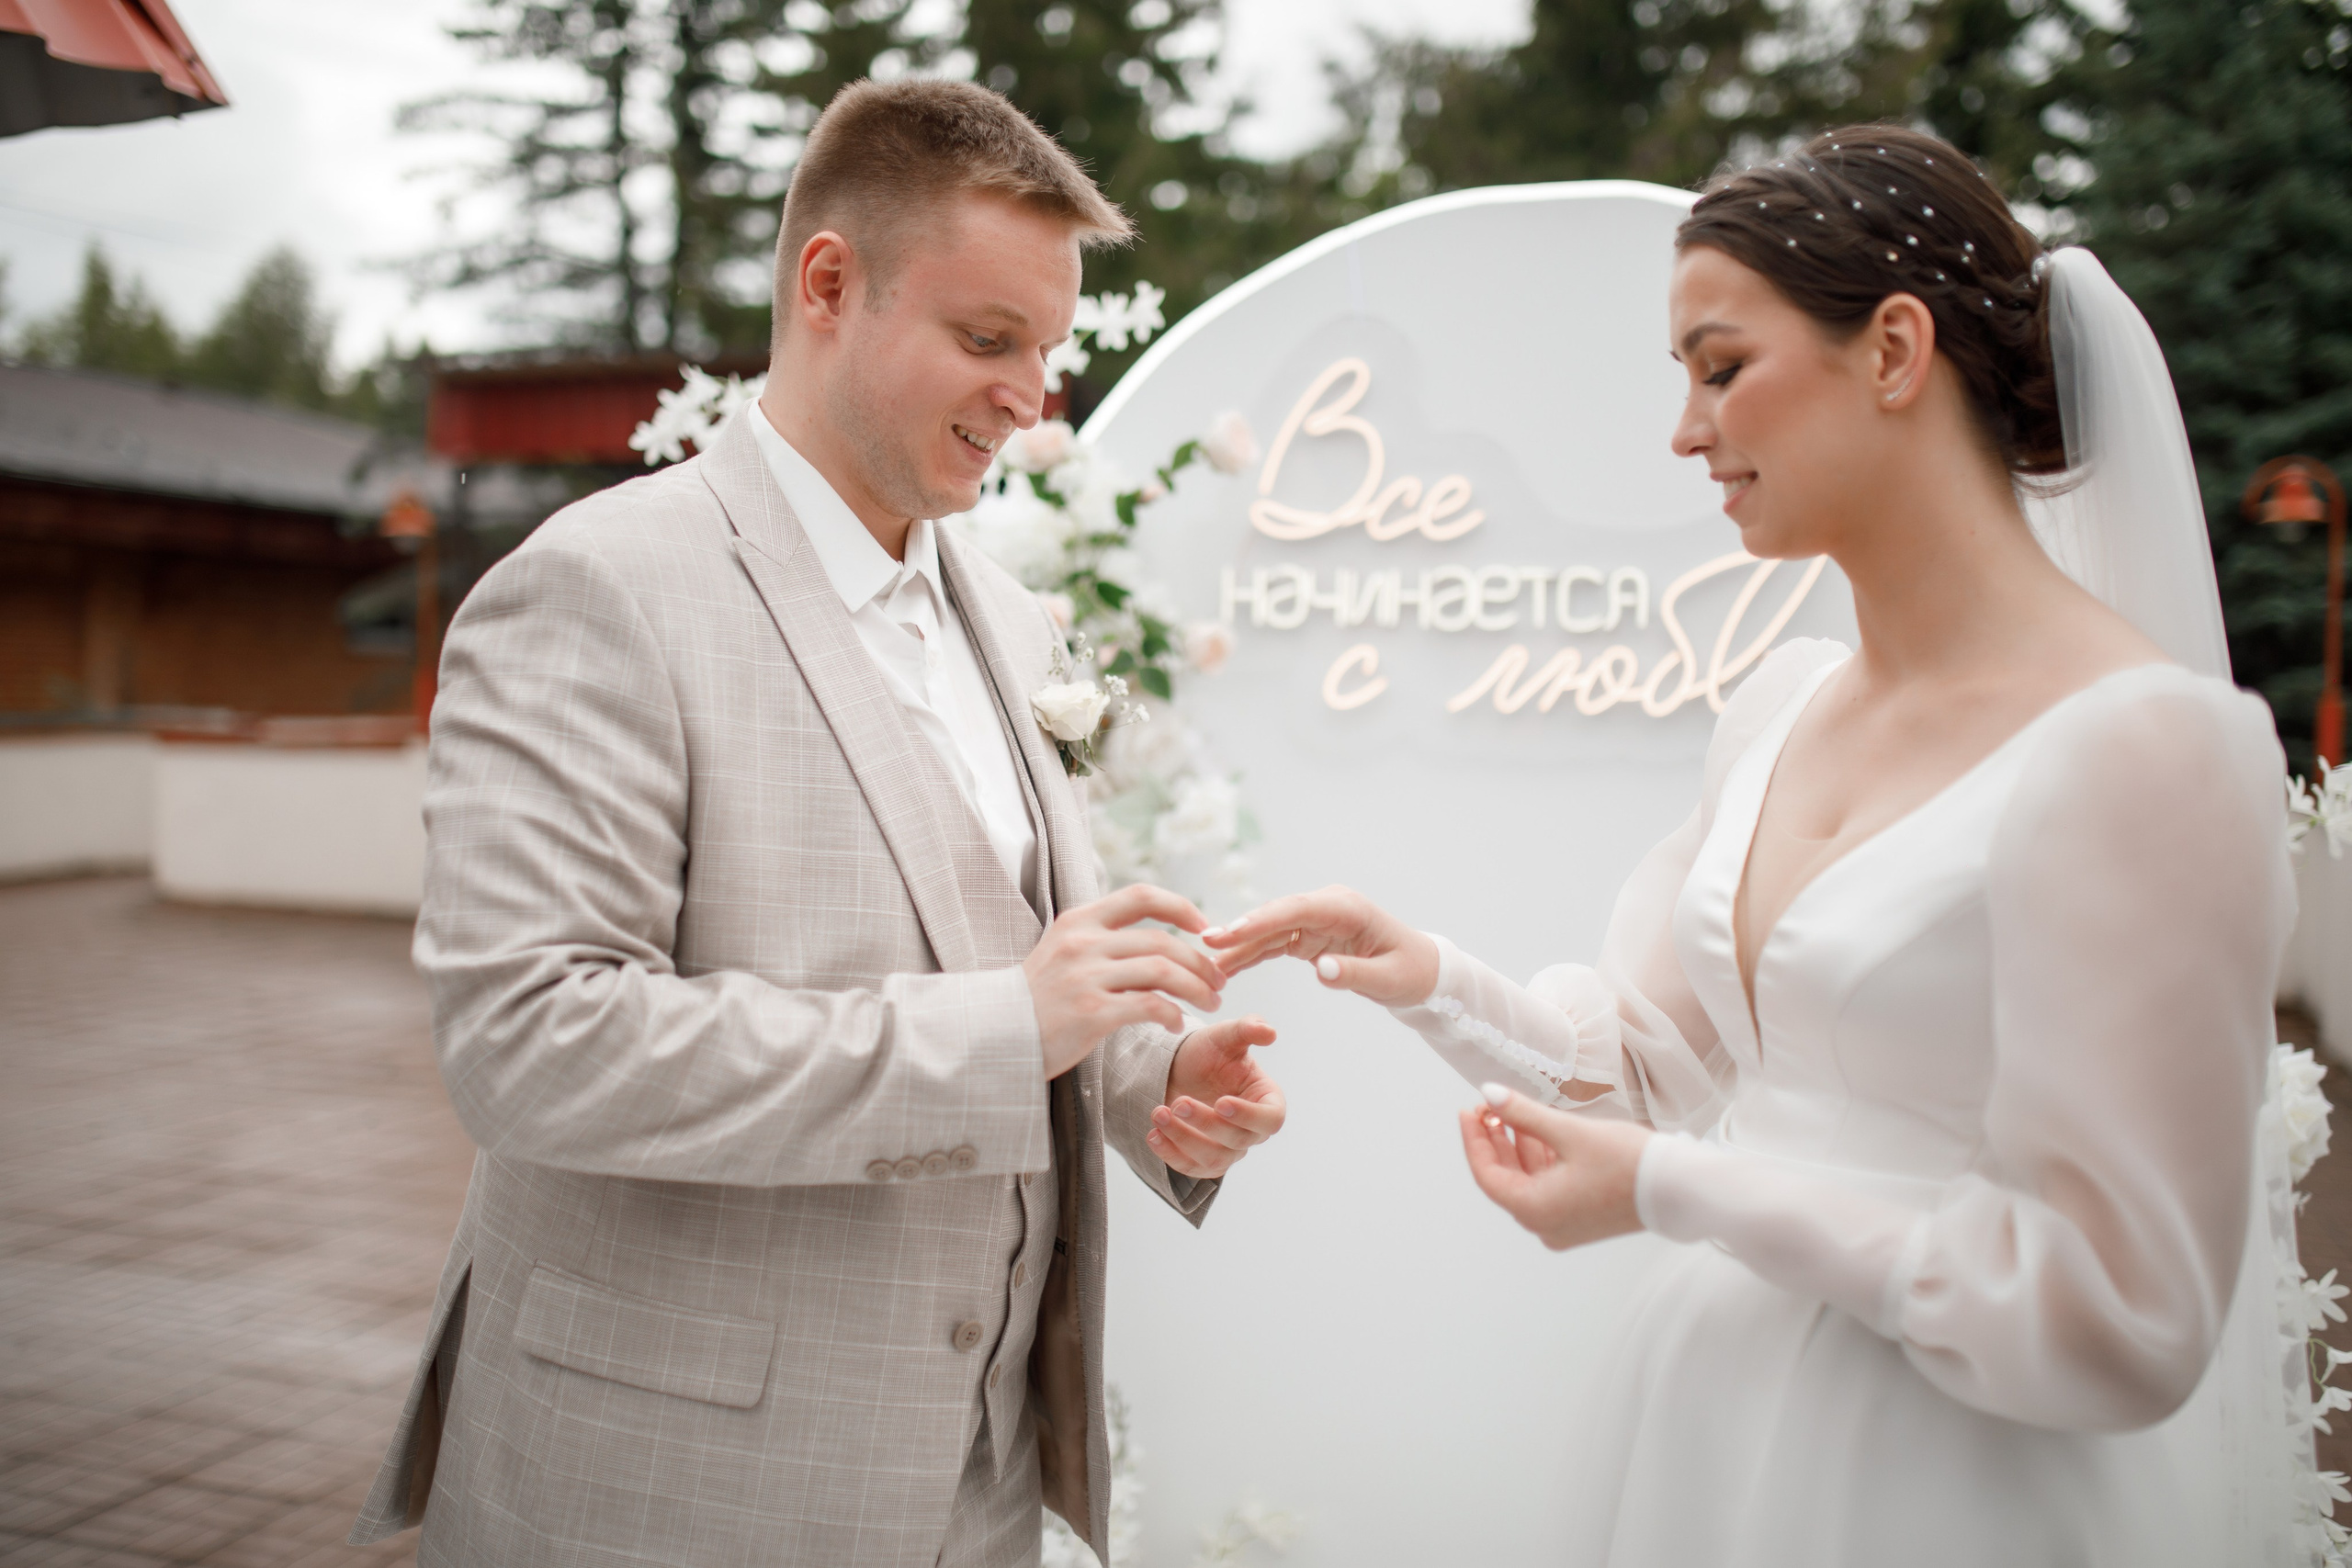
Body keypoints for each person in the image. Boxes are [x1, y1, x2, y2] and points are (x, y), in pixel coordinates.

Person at [1209, 126, 2304, 1565]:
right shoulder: (1779, 704)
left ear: (1895, 351)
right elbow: (1651, 1075)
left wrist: (1677, 1192)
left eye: (1720, 367)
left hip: (1964, 1488)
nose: (1683, 430)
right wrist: (1423, 974)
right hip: (1710, 1440)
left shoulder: (2151, 747)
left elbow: (2120, 1319)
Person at [349, 78, 1286, 1568]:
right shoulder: (597, 591)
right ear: (829, 285)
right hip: (675, 1481)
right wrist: (1009, 1031)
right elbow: (530, 1046)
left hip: (974, 1491)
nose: (1032, 397)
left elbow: (1021, 967)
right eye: (988, 340)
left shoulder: (1012, 615)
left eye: (1044, 350)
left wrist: (1155, 1081)